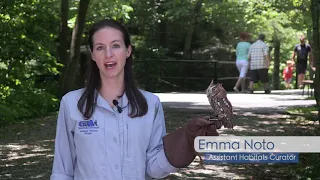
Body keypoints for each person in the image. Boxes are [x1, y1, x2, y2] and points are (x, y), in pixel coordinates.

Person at [50, 19, 218, 180]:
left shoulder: (151, 104)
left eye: (116, 45)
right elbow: (62, 170)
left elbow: (153, 169)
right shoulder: (71, 104)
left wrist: (185, 142)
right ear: (93, 54)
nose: (109, 54)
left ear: (128, 51)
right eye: (100, 48)